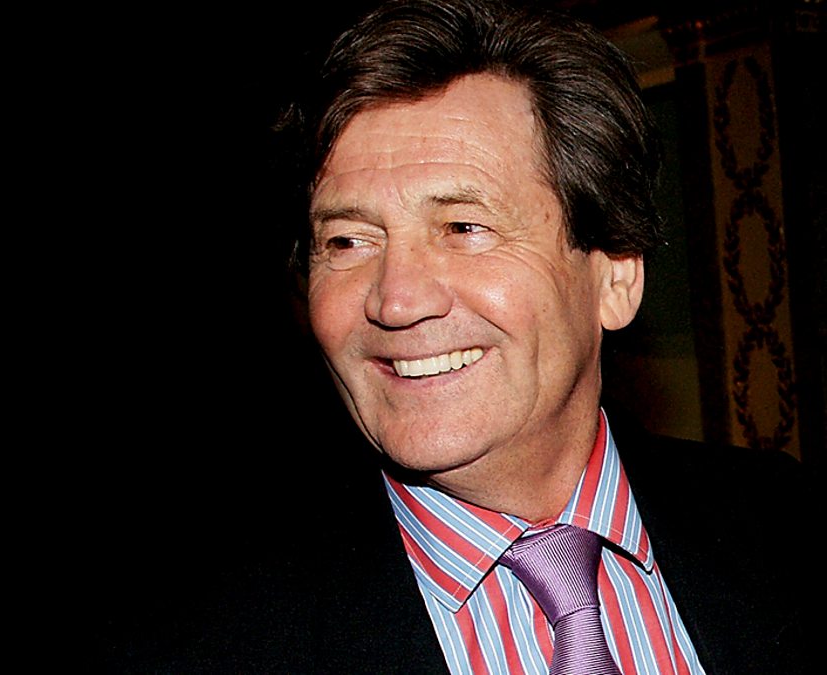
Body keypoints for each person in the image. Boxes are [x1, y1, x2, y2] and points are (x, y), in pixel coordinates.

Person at [128, 0, 815, 672]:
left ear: (614, 275)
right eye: (348, 240)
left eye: (463, 227)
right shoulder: (196, 639)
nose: (396, 300)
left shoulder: (788, 529)